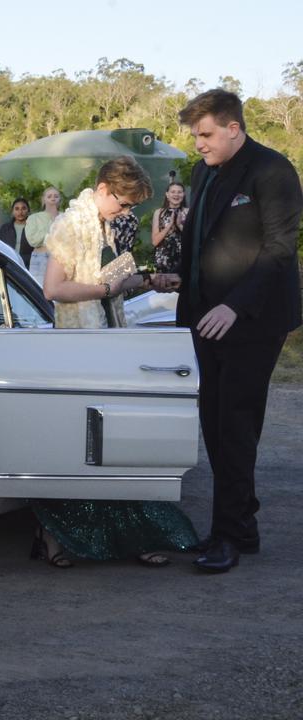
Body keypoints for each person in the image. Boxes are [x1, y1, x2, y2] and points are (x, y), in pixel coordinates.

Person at [31, 156, 198, 568]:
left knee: (110, 443)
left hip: (105, 339)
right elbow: (54, 289)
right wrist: (110, 287)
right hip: (81, 347)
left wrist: (141, 281)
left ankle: (124, 536)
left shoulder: (101, 223)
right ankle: (52, 533)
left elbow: (107, 284)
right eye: (123, 204)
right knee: (81, 446)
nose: (126, 212)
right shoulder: (70, 225)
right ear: (104, 190)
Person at [173, 89, 303, 573]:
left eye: (205, 135)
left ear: (233, 128)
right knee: (214, 420)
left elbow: (280, 249)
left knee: (235, 424)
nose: (199, 144)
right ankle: (240, 526)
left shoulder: (273, 171)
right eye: (195, 136)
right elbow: (198, 237)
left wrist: (235, 306)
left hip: (252, 319)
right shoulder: (203, 172)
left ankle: (228, 535)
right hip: (205, 315)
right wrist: (181, 282)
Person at [24, 187, 61, 287]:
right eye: (49, 196)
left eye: (56, 196)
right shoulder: (34, 218)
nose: (53, 198)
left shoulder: (65, 217)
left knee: (58, 293)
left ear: (60, 199)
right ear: (43, 199)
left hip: (60, 258)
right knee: (38, 291)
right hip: (40, 257)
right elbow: (33, 241)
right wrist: (52, 224)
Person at [151, 182, 188, 273]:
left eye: (179, 192)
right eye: (173, 192)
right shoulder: (159, 212)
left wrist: (179, 225)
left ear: (184, 194)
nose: (176, 194)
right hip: (163, 258)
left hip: (183, 256)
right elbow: (155, 242)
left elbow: (193, 238)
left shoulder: (188, 212)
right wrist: (169, 225)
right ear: (167, 194)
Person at [0, 198, 34, 266]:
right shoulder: (5, 229)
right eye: (17, 209)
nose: (20, 212)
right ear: (12, 211)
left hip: (28, 266)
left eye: (23, 208)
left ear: (28, 210)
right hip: (8, 264)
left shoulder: (33, 228)